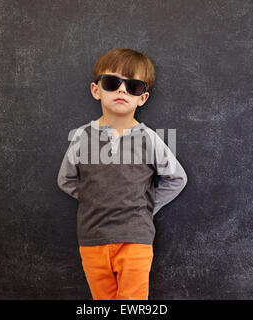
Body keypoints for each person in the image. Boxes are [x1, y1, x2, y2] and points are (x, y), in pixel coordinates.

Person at [57, 48, 188, 300]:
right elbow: (65, 179)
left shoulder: (149, 139)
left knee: (133, 301)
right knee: (102, 300)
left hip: (136, 238)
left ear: (143, 97)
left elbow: (177, 178)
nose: (122, 90)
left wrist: (147, 207)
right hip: (91, 237)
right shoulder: (82, 137)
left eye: (133, 86)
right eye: (111, 82)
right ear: (97, 90)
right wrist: (93, 199)